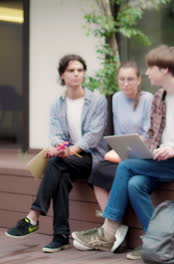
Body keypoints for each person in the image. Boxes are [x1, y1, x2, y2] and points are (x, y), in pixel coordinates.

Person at [72, 45, 174, 260]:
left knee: (126, 167)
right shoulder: (158, 98)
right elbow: (153, 136)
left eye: (150, 68)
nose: (146, 73)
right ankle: (153, 242)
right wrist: (140, 148)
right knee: (134, 184)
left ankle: (109, 231)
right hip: (160, 161)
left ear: (164, 69)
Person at [5, 54, 108, 253]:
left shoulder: (97, 101)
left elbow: (93, 136)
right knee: (59, 171)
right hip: (68, 160)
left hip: (92, 159)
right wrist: (60, 148)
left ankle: (34, 216)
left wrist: (69, 151)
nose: (76, 74)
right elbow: (56, 134)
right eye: (71, 70)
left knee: (56, 164)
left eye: (80, 70)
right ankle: (60, 236)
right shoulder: (57, 104)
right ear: (62, 75)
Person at [83, 62, 154, 252]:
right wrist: (120, 150)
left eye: (130, 79)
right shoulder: (116, 98)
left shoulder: (149, 99)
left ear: (139, 80)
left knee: (122, 174)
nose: (125, 84)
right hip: (123, 153)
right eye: (122, 79)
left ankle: (110, 232)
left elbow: (149, 136)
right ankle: (113, 225)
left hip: (142, 155)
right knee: (97, 171)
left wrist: (128, 151)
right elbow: (120, 133)